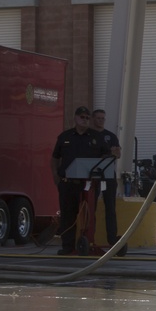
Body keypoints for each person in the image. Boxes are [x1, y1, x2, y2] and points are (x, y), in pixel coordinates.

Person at [51, 106, 105, 255]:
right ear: (75, 118)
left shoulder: (96, 137)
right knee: (68, 215)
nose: (85, 120)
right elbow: (55, 157)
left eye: (87, 118)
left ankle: (87, 243)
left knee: (89, 216)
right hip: (68, 184)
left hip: (89, 184)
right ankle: (67, 247)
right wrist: (56, 176)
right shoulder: (65, 137)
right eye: (82, 117)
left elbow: (107, 156)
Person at [90, 108, 126, 256]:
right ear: (93, 119)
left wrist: (110, 153)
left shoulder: (110, 136)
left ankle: (112, 239)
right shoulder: (88, 135)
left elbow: (117, 153)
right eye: (97, 118)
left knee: (110, 207)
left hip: (108, 176)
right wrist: (107, 153)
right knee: (90, 207)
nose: (100, 120)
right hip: (91, 177)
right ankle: (89, 238)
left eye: (102, 118)